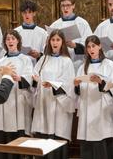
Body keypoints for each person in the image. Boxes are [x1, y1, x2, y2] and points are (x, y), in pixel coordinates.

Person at [31, 29, 76, 159]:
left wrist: (54, 85)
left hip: (58, 106)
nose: (55, 42)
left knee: (56, 139)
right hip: (43, 103)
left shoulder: (66, 61)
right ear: (49, 42)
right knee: (42, 139)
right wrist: (35, 80)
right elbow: (35, 75)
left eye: (58, 40)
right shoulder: (43, 59)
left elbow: (69, 84)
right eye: (52, 40)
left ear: (62, 42)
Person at [74, 35, 113, 159]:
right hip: (87, 109)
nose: (91, 49)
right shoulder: (83, 67)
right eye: (88, 47)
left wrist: (101, 82)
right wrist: (77, 86)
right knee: (87, 143)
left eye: (93, 46)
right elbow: (77, 92)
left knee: (102, 143)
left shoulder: (109, 65)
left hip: (102, 110)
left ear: (100, 46)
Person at [0, 30, 33, 159]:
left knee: (18, 141)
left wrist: (19, 78)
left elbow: (29, 79)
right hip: (4, 105)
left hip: (18, 101)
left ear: (18, 41)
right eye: (8, 39)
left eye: (13, 38)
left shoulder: (25, 59)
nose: (10, 41)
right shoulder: (1, 61)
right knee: (3, 140)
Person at [50, 0, 93, 71]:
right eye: (63, 5)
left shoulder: (82, 23)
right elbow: (47, 48)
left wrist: (75, 45)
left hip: (78, 65)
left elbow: (91, 46)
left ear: (73, 6)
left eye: (68, 5)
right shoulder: (55, 25)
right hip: (59, 65)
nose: (65, 8)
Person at [14, 0, 48, 65]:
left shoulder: (42, 33)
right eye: (24, 12)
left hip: (37, 65)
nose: (27, 15)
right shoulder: (16, 32)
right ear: (21, 14)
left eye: (29, 12)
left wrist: (39, 55)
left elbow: (46, 52)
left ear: (34, 13)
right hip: (20, 65)